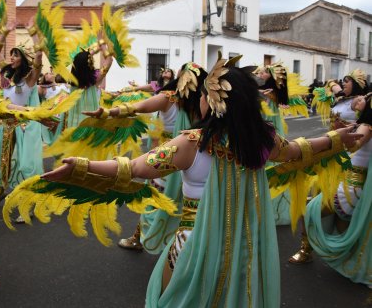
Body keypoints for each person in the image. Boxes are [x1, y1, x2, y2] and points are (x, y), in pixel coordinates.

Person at [41, 55, 361, 307]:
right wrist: (335, 139)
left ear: (215, 101)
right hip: (244, 244)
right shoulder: (261, 140)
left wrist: (81, 166)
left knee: (172, 297)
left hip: (193, 242)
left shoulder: (191, 143)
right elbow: (297, 151)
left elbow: (134, 167)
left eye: (205, 94)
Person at [85, 62, 207, 254]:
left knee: (154, 201)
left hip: (167, 159)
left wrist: (109, 112)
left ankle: (141, 239)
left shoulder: (170, 98)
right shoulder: (201, 104)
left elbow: (138, 107)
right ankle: (174, 245)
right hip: (191, 161)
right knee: (179, 203)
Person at [290, 69, 369, 263]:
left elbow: (356, 144)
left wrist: (336, 136)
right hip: (336, 159)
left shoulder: (361, 114)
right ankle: (339, 255)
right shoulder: (346, 101)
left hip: (347, 167)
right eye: (344, 81)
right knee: (337, 216)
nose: (344, 84)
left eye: (348, 81)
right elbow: (331, 86)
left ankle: (309, 250)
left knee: (316, 209)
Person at [304, 93, 372, 287]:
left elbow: (354, 147)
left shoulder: (366, 126)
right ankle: (346, 264)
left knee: (309, 211)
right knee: (342, 227)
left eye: (364, 98)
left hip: (351, 187)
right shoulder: (361, 123)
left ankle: (305, 251)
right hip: (353, 185)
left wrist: (339, 138)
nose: (359, 100)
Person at [0, 20, 44, 210]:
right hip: (5, 125)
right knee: (1, 161)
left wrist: (33, 32)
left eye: (15, 55)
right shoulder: (6, 73)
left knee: (23, 165)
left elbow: (38, 57)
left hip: (22, 127)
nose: (11, 57)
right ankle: (0, 190)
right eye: (11, 54)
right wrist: (4, 32)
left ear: (22, 59)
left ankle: (26, 201)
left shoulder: (29, 79)